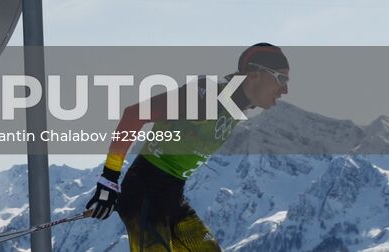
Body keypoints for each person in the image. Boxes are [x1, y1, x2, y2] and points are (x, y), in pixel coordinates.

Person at [84, 43, 291, 251]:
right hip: (142, 194)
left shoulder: (237, 105)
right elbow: (133, 115)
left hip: (173, 199)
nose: (285, 90)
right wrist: (109, 179)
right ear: (254, 74)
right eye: (281, 79)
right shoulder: (207, 96)